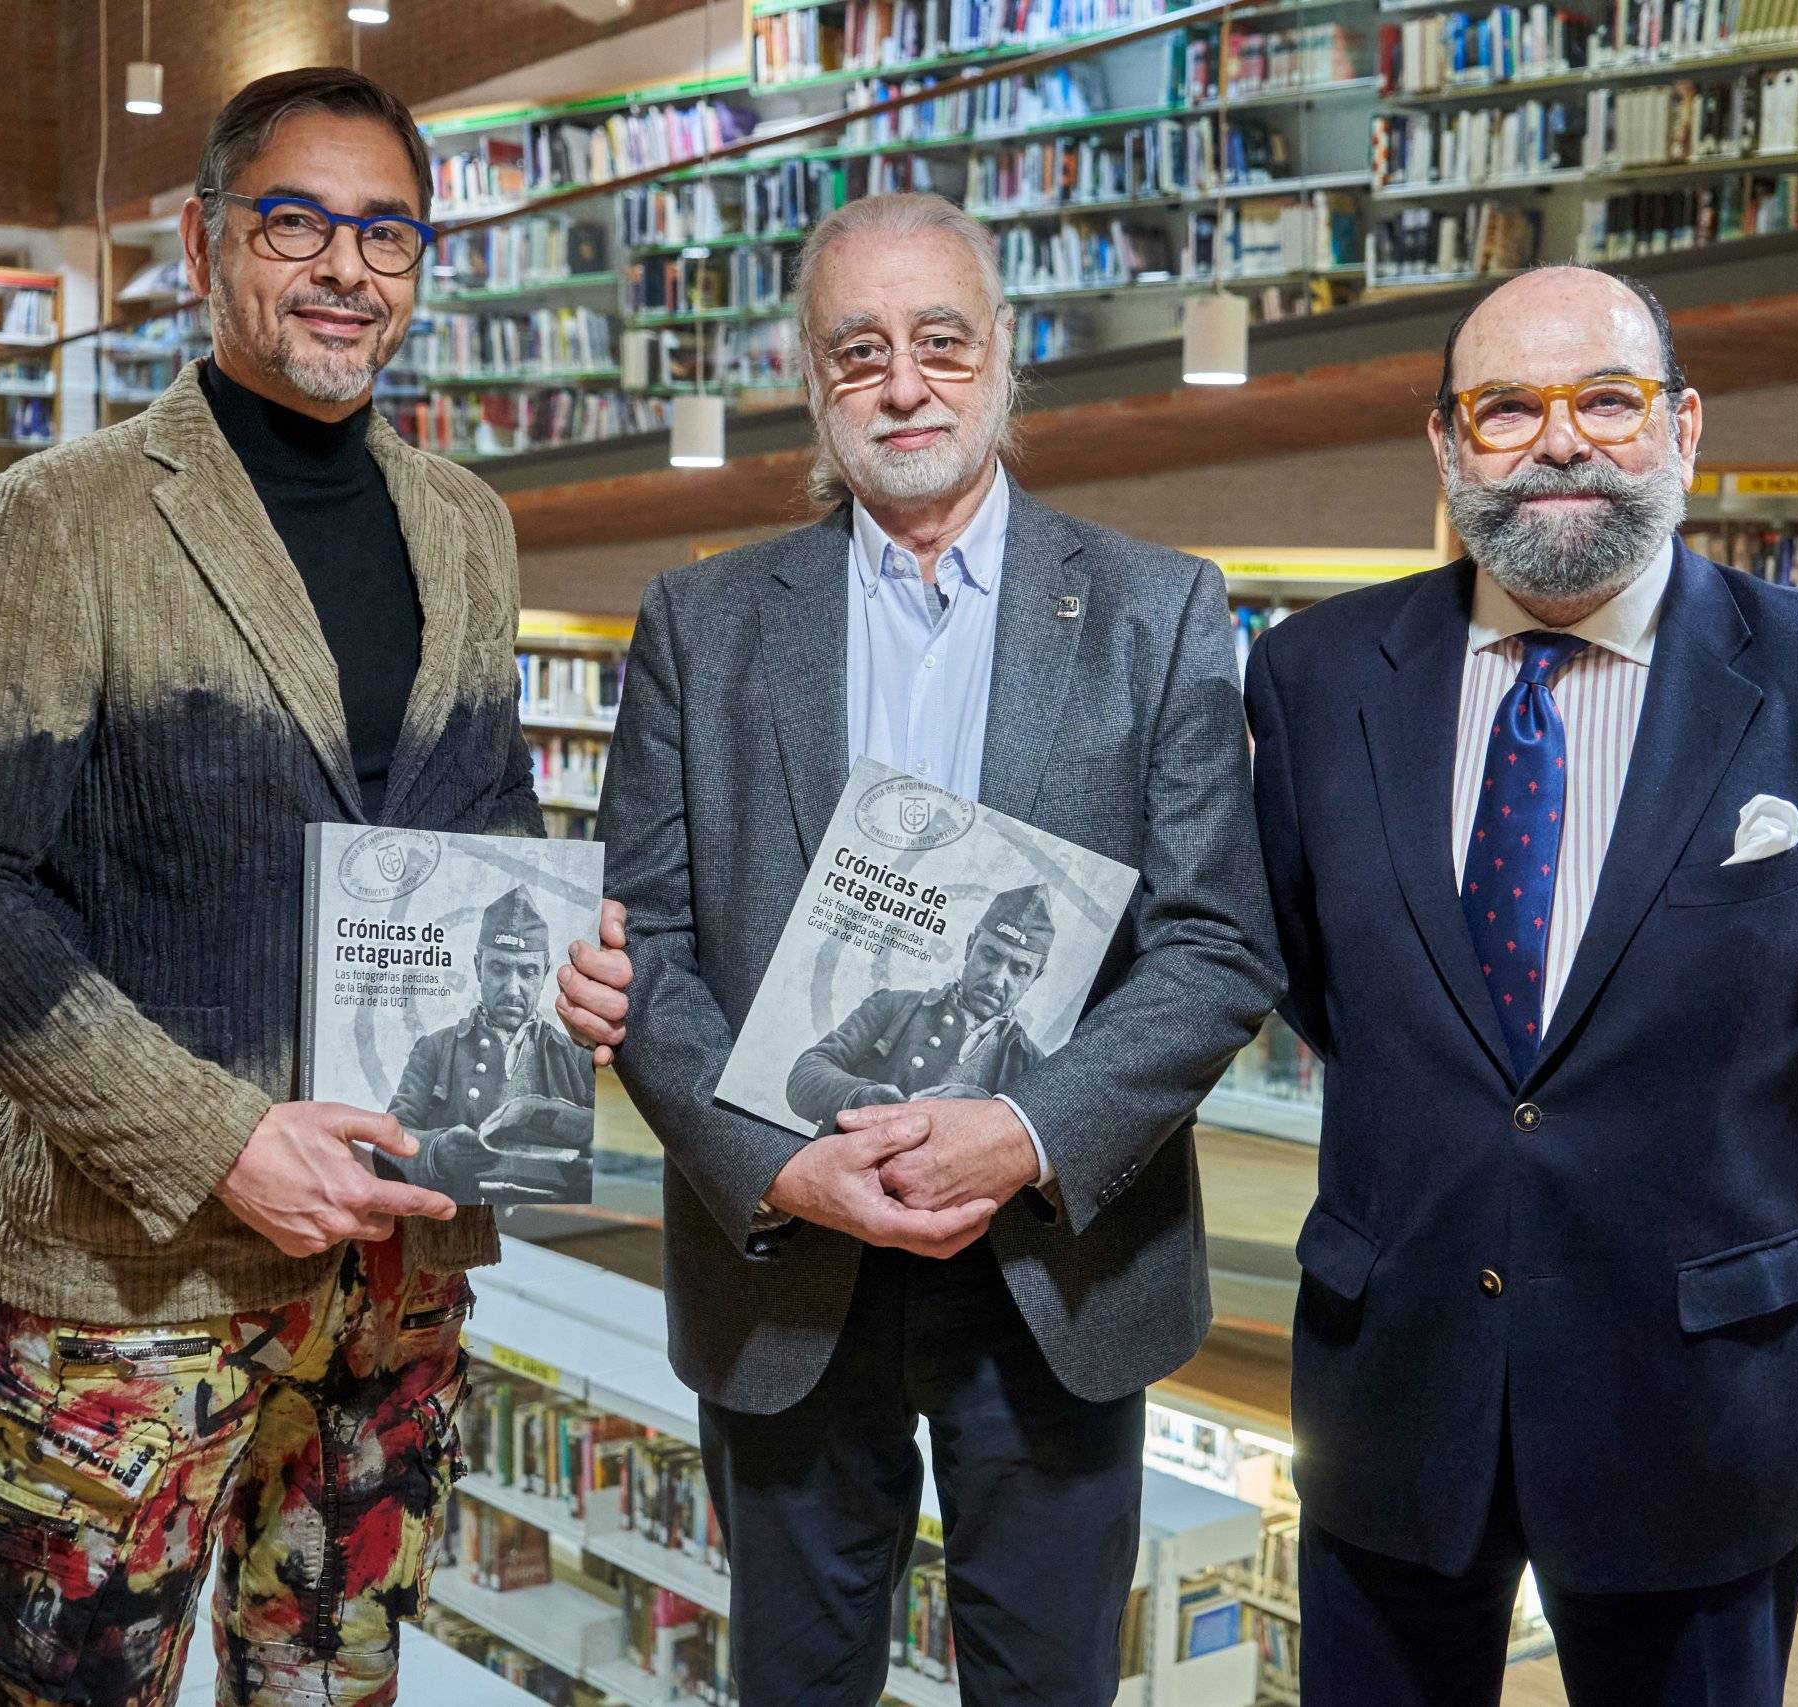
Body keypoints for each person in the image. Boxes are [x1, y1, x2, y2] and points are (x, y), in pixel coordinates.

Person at [0, 66, 593, 1707]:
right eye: (298, 220)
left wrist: (552, 964)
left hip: (399, 1275)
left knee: (336, 1674)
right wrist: (220, 1140)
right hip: (136, 1284)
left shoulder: (467, 526)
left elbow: (483, 825)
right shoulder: (62, 521)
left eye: (387, 231)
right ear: (202, 245)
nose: (347, 265)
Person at [562, 191, 1280, 1707]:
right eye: (859, 349)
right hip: (790, 1264)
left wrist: (1023, 1133)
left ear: (1003, 359)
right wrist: (773, 1158)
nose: (905, 383)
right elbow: (649, 943)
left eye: (941, 342)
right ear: (814, 384)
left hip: (1059, 1260)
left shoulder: (1158, 612)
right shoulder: (700, 621)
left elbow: (1217, 946)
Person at [1243, 267, 1798, 1706]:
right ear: (1446, 446)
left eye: (1608, 399)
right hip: (1394, 1384)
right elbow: (1317, 980)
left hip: (1693, 1398)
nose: (1560, 439)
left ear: (1684, 427)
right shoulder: (1314, 679)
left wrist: (1711, 1158)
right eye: (1506, 407)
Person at [783, 882, 1054, 1131]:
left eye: (1019, 969)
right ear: (970, 947)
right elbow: (807, 1072)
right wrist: (859, 1096)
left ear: (1034, 979)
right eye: (990, 955)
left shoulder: (1034, 1066)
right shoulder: (894, 1005)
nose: (997, 980)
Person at [387, 886, 596, 1199]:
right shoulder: (435, 1049)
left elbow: (610, 1155)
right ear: (478, 967)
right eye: (499, 968)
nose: (513, 988)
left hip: (549, 1226)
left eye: (528, 971)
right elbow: (387, 1142)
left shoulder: (579, 1058)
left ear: (544, 975)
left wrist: (593, 1171)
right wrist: (438, 1152)